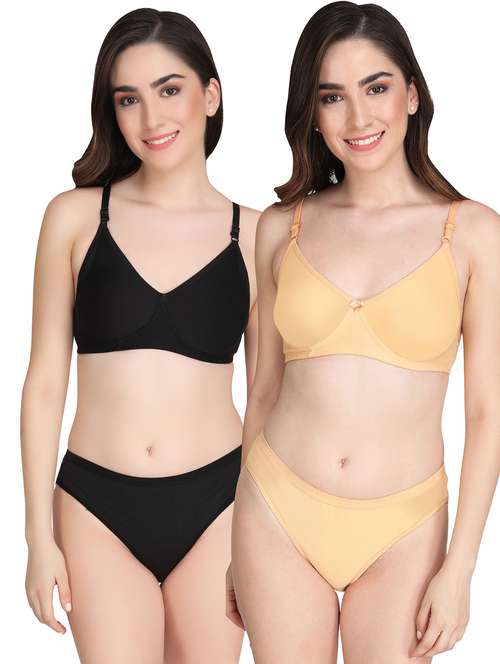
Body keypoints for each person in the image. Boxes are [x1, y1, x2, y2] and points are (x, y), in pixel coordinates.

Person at [228, 2, 499, 662]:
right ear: (313, 113)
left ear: (412, 94)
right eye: (332, 97)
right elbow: (261, 392)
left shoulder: (473, 233)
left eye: (376, 88)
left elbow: (487, 413)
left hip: (404, 529)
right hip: (275, 510)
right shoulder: (280, 227)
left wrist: (461, 567)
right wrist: (236, 540)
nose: (357, 118)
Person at [20, 9, 259, 663]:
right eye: (129, 98)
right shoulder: (74, 218)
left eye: (169, 89)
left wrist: (268, 535)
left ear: (211, 95)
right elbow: (44, 384)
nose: (151, 118)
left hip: (220, 506)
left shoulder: (257, 233)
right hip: (95, 504)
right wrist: (37, 536)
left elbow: (269, 396)